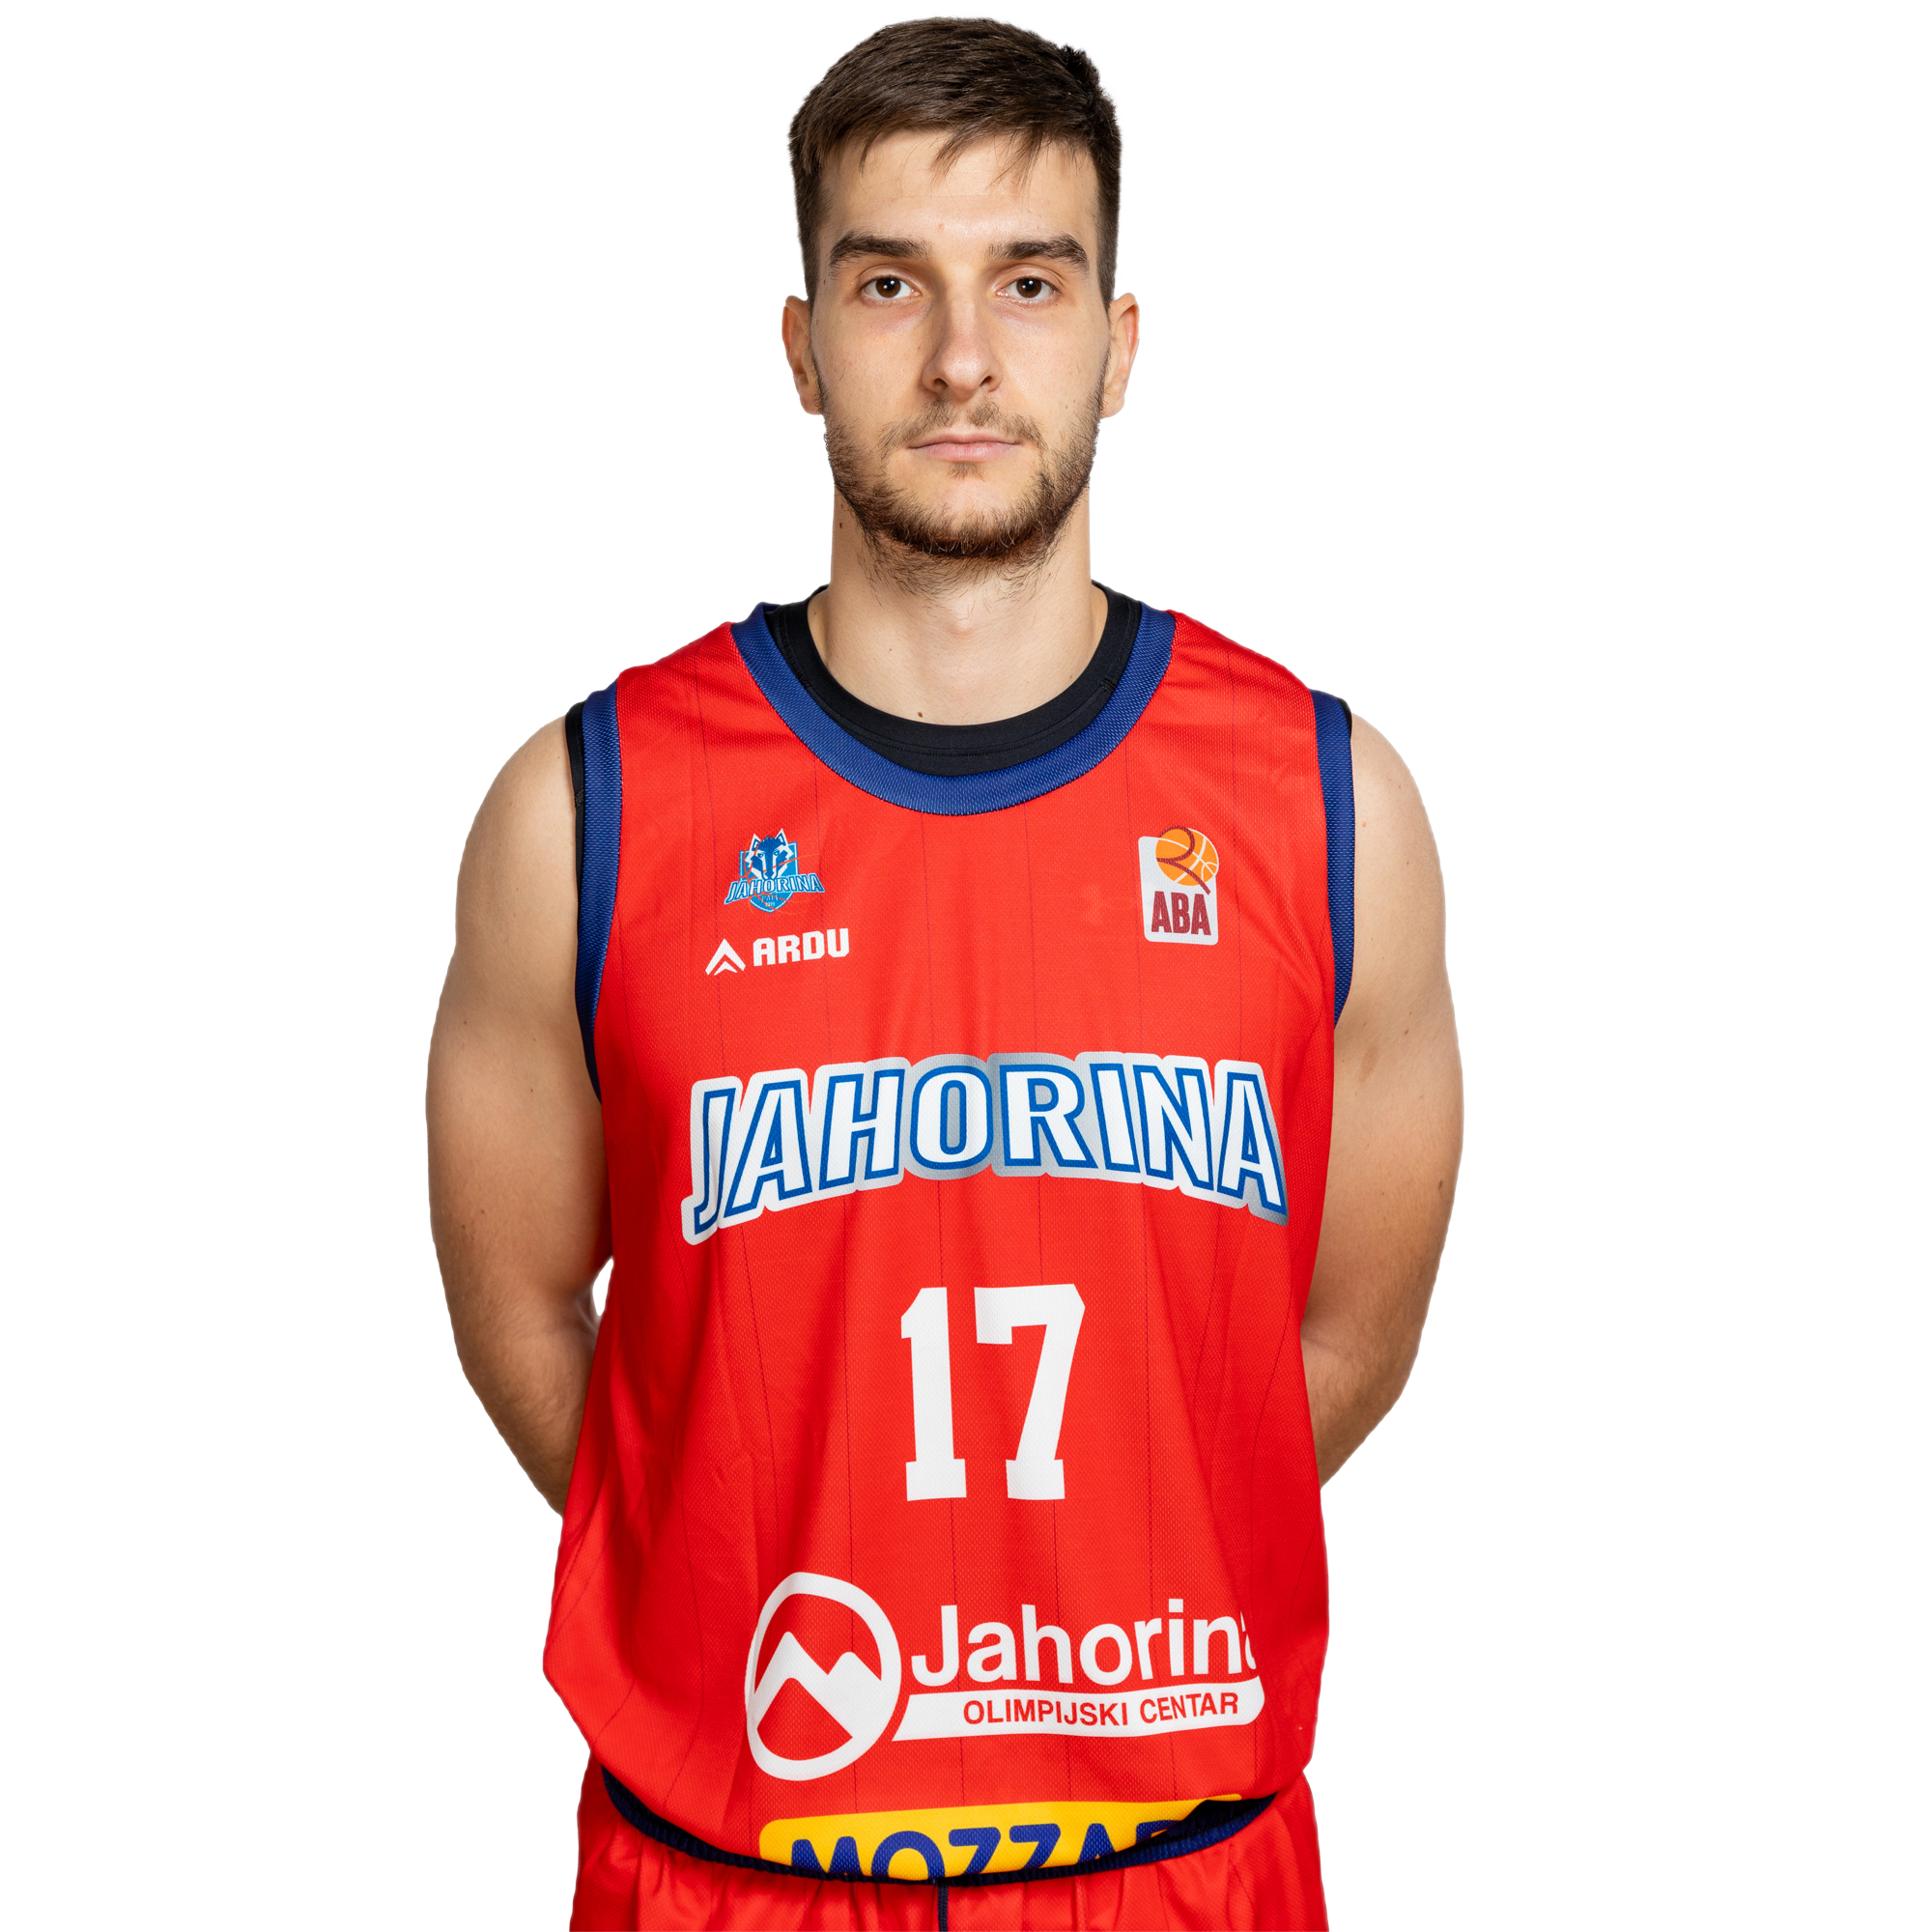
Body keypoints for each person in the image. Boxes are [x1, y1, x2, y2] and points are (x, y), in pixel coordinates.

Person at [428, 16, 1461, 1928]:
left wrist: (1109, 1570)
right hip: (730, 1861)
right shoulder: (584, 809)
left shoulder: (1328, 806)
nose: (965, 357)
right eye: (890, 281)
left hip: (1177, 1861)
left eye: (1030, 283)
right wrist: (733, 1538)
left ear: (1119, 346)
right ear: (803, 343)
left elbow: (1339, 1340)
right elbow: (516, 1300)